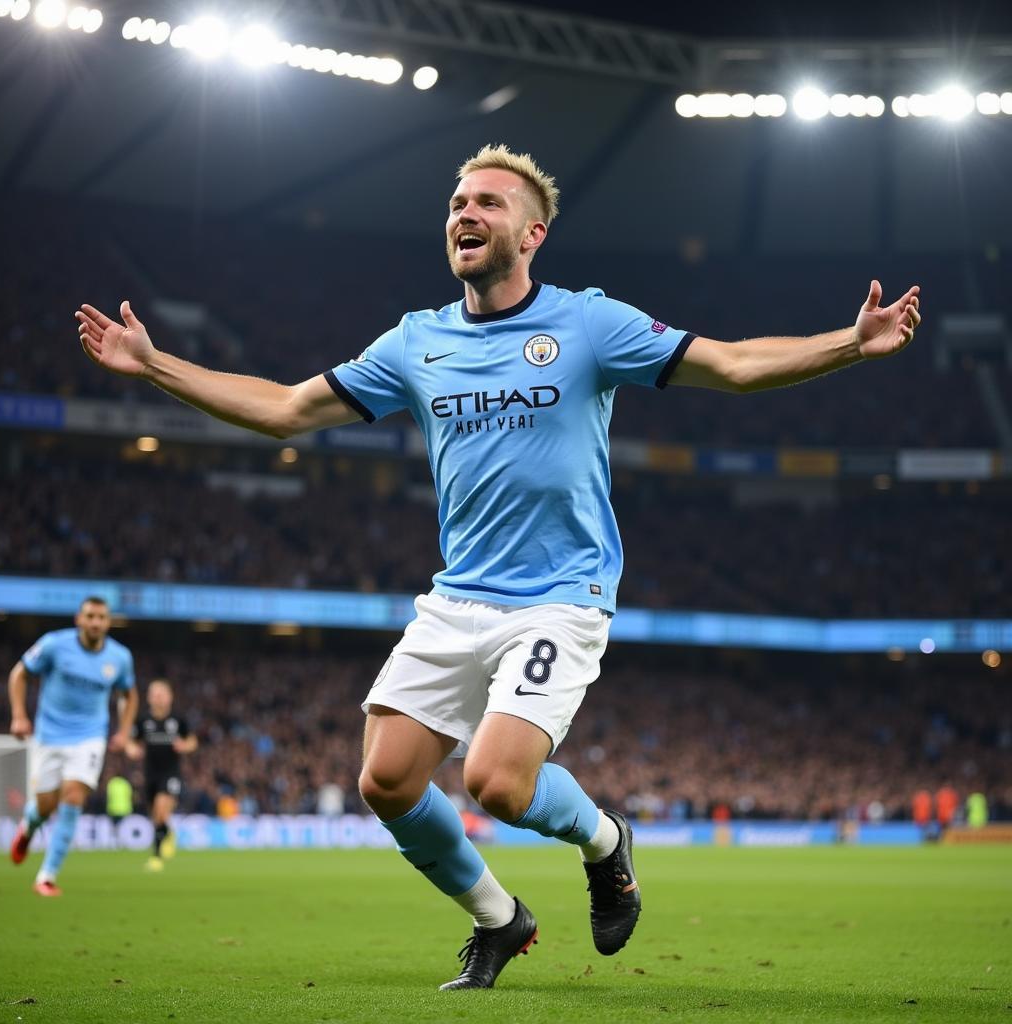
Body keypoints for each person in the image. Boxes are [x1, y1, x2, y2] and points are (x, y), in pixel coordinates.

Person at [75, 144, 921, 988]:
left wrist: (850, 343)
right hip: (459, 599)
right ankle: (499, 919)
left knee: (496, 784)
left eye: (487, 203)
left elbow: (733, 365)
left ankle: (604, 839)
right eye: (456, 204)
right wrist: (153, 364)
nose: (465, 215)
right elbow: (288, 411)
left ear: (534, 233)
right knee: (386, 781)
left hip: (560, 598)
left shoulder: (589, 323)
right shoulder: (417, 341)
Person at [8, 595, 137, 896]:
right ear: (79, 619)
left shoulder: (119, 657)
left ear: (108, 622)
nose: (95, 622)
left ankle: (47, 876)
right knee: (45, 804)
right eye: (90, 616)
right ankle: (28, 827)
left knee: (74, 795)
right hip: (49, 735)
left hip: (90, 737)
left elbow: (130, 694)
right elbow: (19, 674)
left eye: (101, 617)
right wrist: (18, 715)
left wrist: (125, 731)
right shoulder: (54, 644)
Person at [125, 678, 198, 870]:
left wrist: (185, 746)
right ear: (149, 698)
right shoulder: (143, 721)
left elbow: (192, 741)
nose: (157, 698)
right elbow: (132, 742)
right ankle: (167, 831)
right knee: (156, 816)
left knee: (161, 808)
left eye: (161, 694)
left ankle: (156, 857)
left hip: (171, 772)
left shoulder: (178, 719)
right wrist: (132, 749)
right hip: (150, 773)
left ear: (169, 697)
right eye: (154, 694)